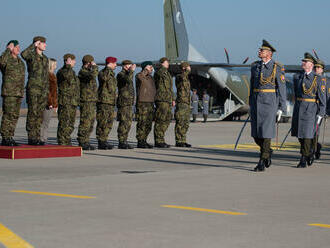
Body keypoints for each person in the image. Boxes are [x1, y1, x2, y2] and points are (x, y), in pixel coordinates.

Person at [249, 40, 287, 172]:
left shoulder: (277, 67)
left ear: (269, 54)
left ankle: (261, 161)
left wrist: (282, 108)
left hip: (269, 103)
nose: (259, 51)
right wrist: (250, 103)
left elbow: (282, 89)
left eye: (262, 50)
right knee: (256, 134)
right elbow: (252, 86)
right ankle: (267, 151)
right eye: (260, 50)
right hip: (256, 102)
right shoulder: (255, 66)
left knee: (266, 133)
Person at [292, 53, 326, 168]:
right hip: (299, 107)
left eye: (305, 62)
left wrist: (321, 113)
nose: (302, 63)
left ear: (311, 65)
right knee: (299, 135)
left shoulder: (318, 79)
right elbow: (296, 92)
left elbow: (322, 98)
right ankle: (310, 150)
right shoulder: (297, 77)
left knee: (307, 134)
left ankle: (303, 157)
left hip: (311, 109)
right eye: (303, 61)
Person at [21, 36, 49, 145]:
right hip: (33, 88)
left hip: (43, 90)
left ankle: (37, 136)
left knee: (39, 115)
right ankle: (31, 137)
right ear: (38, 44)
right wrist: (33, 45)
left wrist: (47, 91)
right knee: (33, 113)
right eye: (43, 43)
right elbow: (23, 54)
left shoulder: (45, 59)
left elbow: (46, 76)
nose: (45, 45)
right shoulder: (31, 56)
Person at [0, 40, 25, 146]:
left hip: (18, 93)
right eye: (16, 47)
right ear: (11, 48)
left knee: (15, 116)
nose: (18, 49)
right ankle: (5, 137)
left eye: (19, 47)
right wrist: (7, 50)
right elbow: (1, 62)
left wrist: (22, 92)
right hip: (9, 92)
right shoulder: (6, 59)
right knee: (8, 115)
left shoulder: (20, 62)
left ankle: (10, 136)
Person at [56, 54, 80, 146]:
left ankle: (67, 139)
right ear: (68, 61)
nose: (75, 62)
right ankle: (62, 141)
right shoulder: (63, 71)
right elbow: (68, 77)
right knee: (64, 122)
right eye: (73, 60)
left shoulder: (72, 72)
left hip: (72, 102)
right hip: (65, 101)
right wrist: (68, 65)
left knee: (70, 123)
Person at [96, 57, 118, 150]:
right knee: (102, 122)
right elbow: (104, 78)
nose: (116, 65)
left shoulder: (112, 74)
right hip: (104, 101)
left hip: (110, 101)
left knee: (109, 123)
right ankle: (101, 141)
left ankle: (104, 140)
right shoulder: (103, 72)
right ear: (110, 63)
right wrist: (108, 68)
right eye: (114, 63)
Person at [78, 55, 98, 150]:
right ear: (88, 63)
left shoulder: (89, 72)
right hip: (86, 100)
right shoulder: (83, 72)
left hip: (91, 100)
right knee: (85, 122)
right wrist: (94, 67)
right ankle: (82, 141)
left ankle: (86, 140)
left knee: (90, 122)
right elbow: (93, 76)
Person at [154, 57, 175, 148]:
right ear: (162, 63)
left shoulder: (168, 73)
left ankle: (161, 138)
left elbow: (170, 88)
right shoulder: (160, 72)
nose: (168, 63)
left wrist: (173, 99)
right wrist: (162, 67)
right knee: (160, 120)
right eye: (167, 62)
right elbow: (158, 76)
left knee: (167, 119)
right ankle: (158, 140)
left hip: (168, 99)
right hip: (162, 99)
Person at [135, 61, 156, 148]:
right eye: (149, 66)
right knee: (142, 122)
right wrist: (145, 70)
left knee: (148, 124)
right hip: (142, 103)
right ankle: (140, 141)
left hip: (150, 102)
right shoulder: (139, 75)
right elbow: (141, 78)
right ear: (145, 67)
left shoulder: (151, 78)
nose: (151, 68)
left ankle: (144, 140)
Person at [116, 60, 136, 149]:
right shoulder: (121, 74)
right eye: (129, 65)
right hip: (123, 102)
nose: (131, 67)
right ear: (125, 66)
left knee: (128, 122)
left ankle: (125, 140)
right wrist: (131, 71)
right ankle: (121, 141)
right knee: (123, 122)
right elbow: (127, 80)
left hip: (129, 102)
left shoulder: (128, 74)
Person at [312, 59, 327, 159]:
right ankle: (314, 147)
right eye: (315, 67)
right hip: (309, 108)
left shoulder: (326, 81)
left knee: (315, 131)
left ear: (322, 70)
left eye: (318, 68)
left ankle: (313, 149)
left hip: (319, 109)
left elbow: (327, 96)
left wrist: (324, 111)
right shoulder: (311, 78)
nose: (316, 69)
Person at [174, 62, 192, 147]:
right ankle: (178, 140)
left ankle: (183, 139)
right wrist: (186, 70)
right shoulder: (179, 76)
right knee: (180, 121)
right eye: (188, 67)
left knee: (186, 123)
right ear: (184, 68)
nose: (190, 68)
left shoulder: (186, 78)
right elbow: (182, 77)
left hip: (187, 103)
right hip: (181, 102)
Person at [40, 58, 57, 143]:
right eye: (54, 65)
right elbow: (47, 90)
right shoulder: (47, 75)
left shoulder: (53, 75)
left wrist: (55, 104)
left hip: (52, 102)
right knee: (44, 122)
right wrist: (50, 102)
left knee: (46, 122)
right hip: (47, 102)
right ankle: (42, 138)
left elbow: (54, 91)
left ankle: (44, 138)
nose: (55, 66)